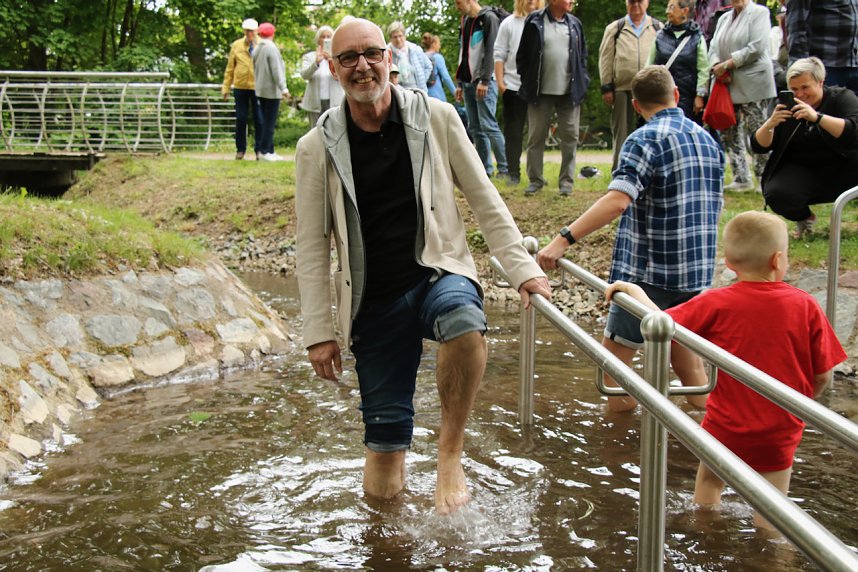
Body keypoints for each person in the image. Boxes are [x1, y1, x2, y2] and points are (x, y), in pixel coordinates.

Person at [294, 18, 551, 515]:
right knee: (385, 449)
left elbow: (484, 197)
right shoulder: (315, 147)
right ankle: (385, 542)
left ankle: (449, 454)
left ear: (390, 59)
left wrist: (522, 269)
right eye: (348, 58)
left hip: (437, 270)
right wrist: (318, 330)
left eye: (371, 54)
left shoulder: (436, 117)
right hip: (371, 299)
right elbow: (310, 245)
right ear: (333, 67)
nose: (362, 66)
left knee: (463, 322)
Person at [606, 211, 846, 528]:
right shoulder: (805, 305)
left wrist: (633, 291)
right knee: (775, 510)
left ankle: (706, 535)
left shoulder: (716, 302)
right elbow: (823, 375)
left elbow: (662, 325)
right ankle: (773, 556)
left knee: (708, 487)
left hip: (725, 423)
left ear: (729, 263)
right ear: (778, 260)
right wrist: (799, 402)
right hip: (781, 425)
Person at [536, 66, 724, 413]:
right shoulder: (708, 140)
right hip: (695, 274)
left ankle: (619, 451)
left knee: (614, 374)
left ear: (636, 105)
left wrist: (563, 239)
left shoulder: (643, 139)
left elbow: (618, 200)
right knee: (691, 370)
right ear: (676, 95)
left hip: (646, 275)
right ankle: (721, 442)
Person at [750, 57, 858, 238]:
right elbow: (758, 146)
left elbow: (853, 131)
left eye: (805, 87)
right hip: (802, 168)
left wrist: (817, 117)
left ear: (821, 82)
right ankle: (805, 218)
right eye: (794, 89)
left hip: (845, 163)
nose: (800, 94)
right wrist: (770, 124)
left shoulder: (842, 97)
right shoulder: (786, 105)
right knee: (776, 194)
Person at [516, 0, 589, 196]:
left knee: (570, 136)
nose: (572, 2)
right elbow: (522, 56)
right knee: (536, 136)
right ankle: (535, 180)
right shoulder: (534, 21)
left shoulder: (575, 24)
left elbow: (582, 57)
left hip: (569, 91)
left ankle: (566, 182)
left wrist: (584, 80)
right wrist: (528, 79)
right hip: (539, 91)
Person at [708, 0, 775, 191]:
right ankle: (740, 177)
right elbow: (713, 47)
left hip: (754, 82)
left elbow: (757, 47)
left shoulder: (759, 13)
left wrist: (728, 64)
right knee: (729, 131)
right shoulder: (724, 18)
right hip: (726, 83)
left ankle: (764, 176)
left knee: (757, 129)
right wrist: (715, 66)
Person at [599, 0, 662, 171]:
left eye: (639, 1)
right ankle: (619, 169)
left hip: (649, 89)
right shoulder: (615, 28)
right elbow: (605, 59)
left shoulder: (658, 27)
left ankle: (649, 169)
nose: (636, 5)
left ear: (647, 3)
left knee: (652, 130)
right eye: (632, 2)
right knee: (621, 132)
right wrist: (607, 86)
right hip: (622, 88)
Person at [454, 0, 508, 178]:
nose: (457, 6)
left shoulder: (489, 19)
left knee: (488, 125)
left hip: (485, 81)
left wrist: (485, 80)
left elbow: (493, 51)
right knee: (475, 127)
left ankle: (505, 169)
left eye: (458, 2)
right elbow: (464, 52)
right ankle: (485, 170)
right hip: (468, 82)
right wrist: (460, 83)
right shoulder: (465, 21)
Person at [493, 0, 543, 186]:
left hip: (537, 87)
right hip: (512, 85)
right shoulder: (509, 24)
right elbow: (499, 53)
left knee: (537, 132)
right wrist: (500, 82)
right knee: (513, 132)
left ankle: (536, 175)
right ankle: (513, 172)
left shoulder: (543, 21)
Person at [647, 0, 709, 120]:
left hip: (689, 99)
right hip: (661, 97)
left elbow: (703, 69)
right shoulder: (659, 36)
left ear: (684, 11)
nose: (667, 11)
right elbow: (649, 66)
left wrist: (700, 96)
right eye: (667, 7)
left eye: (671, 7)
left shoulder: (697, 37)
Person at [787, 0, 858, 97]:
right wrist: (802, 69)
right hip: (824, 67)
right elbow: (796, 27)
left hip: (853, 63)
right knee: (821, 110)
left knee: (853, 110)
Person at [222, 18, 263, 161]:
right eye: (247, 31)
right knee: (241, 118)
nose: (249, 34)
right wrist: (226, 87)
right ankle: (240, 150)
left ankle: (259, 150)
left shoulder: (262, 45)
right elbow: (230, 68)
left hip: (258, 87)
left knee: (259, 119)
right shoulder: (237, 45)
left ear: (256, 31)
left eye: (251, 31)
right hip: (240, 86)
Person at [253, 22, 290, 161]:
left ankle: (268, 149)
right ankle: (265, 151)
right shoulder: (271, 48)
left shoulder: (257, 48)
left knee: (264, 120)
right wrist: (283, 88)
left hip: (260, 90)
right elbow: (277, 70)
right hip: (271, 91)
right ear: (272, 34)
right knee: (269, 122)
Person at [300, 25, 345, 128]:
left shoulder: (338, 57)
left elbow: (342, 76)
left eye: (328, 36)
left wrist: (332, 61)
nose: (325, 39)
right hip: (315, 102)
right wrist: (316, 63)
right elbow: (304, 75)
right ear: (318, 39)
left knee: (333, 129)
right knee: (315, 131)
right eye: (323, 36)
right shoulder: (309, 57)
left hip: (334, 102)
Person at [386, 21, 434, 92]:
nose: (398, 40)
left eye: (400, 36)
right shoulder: (386, 53)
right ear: (390, 38)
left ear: (404, 36)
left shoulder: (415, 50)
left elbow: (428, 66)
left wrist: (422, 80)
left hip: (417, 91)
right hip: (396, 92)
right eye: (395, 37)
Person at [421, 33, 457, 102]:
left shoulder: (421, 57)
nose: (439, 46)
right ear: (434, 44)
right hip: (437, 94)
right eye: (438, 44)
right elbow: (446, 77)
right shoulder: (437, 57)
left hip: (424, 96)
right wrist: (455, 92)